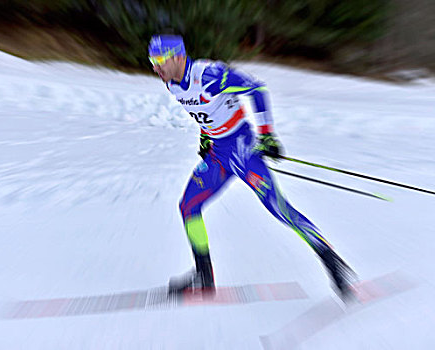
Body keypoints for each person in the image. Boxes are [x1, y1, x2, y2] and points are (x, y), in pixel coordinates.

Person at [148, 34, 355, 299]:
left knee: (279, 209)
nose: (155, 67)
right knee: (188, 206)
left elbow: (256, 89)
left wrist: (267, 135)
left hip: (243, 150)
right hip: (218, 154)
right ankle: (204, 275)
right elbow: (203, 110)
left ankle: (332, 261)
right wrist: (205, 136)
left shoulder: (211, 75)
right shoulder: (172, 83)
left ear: (178, 57)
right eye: (151, 61)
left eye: (159, 60)